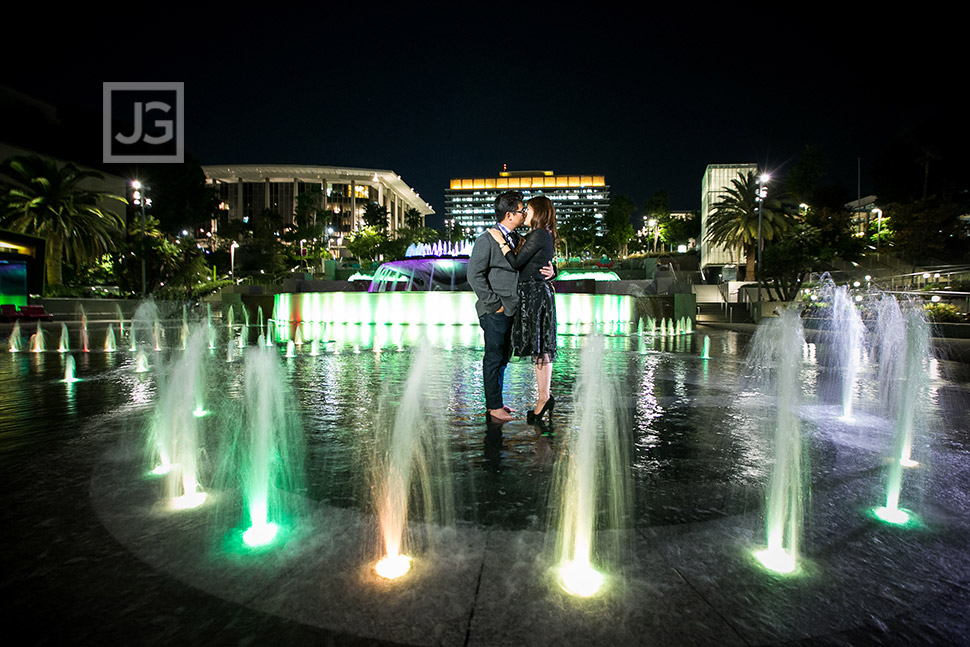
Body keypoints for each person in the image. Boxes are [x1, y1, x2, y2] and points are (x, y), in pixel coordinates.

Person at [467, 191, 554, 422]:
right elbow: (474, 275)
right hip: (495, 310)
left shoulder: (517, 237)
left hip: (513, 309)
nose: (524, 213)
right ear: (509, 214)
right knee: (494, 357)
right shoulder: (487, 239)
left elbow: (533, 262)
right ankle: (493, 407)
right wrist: (494, 304)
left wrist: (553, 271)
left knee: (503, 358)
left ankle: (498, 402)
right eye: (521, 210)